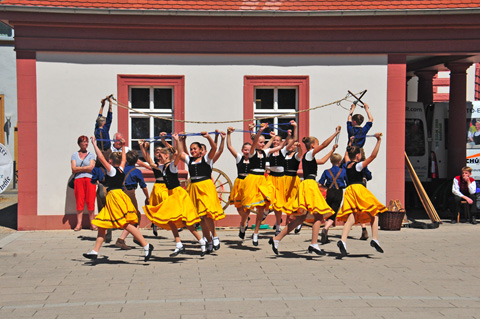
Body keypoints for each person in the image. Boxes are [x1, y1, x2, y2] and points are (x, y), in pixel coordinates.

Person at [269, 127, 340, 255]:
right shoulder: (308, 154)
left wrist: (332, 150)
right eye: (316, 145)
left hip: (309, 184)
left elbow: (323, 161)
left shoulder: (310, 157)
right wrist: (335, 133)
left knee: (300, 219)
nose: (318, 146)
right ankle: (314, 244)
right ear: (313, 145)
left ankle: (276, 239)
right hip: (309, 185)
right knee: (318, 215)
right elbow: (323, 145)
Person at [83, 136, 153, 262]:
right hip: (118, 196)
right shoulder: (121, 168)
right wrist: (124, 145)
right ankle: (95, 251)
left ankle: (146, 245)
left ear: (110, 161)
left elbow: (100, 157)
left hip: (114, 197)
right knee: (102, 225)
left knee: (124, 224)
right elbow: (124, 158)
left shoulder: (111, 170)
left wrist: (94, 144)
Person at [144, 134, 208, 257]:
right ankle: (179, 244)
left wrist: (177, 140)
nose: (158, 157)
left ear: (167, 156)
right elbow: (149, 162)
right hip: (171, 194)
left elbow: (179, 154)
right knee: (171, 220)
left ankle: (201, 241)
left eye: (161, 155)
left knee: (187, 222)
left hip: (178, 194)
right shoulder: (162, 167)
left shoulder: (172, 166)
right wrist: (143, 148)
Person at [336, 133, 387, 257]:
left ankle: (343, 240)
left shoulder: (347, 164)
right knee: (374, 213)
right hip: (359, 189)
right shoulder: (359, 165)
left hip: (349, 190)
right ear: (358, 156)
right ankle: (374, 239)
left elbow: (347, 154)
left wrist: (349, 143)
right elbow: (373, 156)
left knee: (351, 217)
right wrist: (379, 141)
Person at [243, 123, 283, 247]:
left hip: (262, 180)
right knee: (248, 207)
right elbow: (254, 142)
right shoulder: (252, 152)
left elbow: (279, 147)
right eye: (260, 142)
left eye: (262, 142)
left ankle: (256, 233)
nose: (262, 143)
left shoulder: (265, 152)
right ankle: (243, 225)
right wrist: (259, 131)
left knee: (261, 208)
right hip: (252, 179)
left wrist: (286, 137)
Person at [181, 132, 222, 251]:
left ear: (200, 150)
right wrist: (179, 139)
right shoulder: (190, 160)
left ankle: (214, 236)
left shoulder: (207, 159)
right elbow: (180, 152)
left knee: (207, 213)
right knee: (201, 217)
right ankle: (208, 240)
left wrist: (208, 137)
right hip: (194, 188)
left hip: (206, 187)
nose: (193, 151)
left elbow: (214, 148)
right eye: (191, 149)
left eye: (195, 149)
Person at [114, 151, 150, 250]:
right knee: (135, 216)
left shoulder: (121, 169)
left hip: (119, 193)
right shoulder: (136, 171)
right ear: (136, 161)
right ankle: (127, 238)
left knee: (130, 216)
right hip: (129, 193)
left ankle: (134, 236)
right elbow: (144, 186)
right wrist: (147, 197)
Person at [266, 122, 296, 235]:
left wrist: (293, 129)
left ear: (280, 142)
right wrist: (271, 137)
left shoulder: (283, 151)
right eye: (274, 140)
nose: (275, 142)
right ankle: (265, 213)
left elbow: (293, 140)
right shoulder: (269, 152)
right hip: (270, 178)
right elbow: (263, 147)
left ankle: (278, 225)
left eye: (277, 141)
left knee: (278, 205)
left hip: (280, 179)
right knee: (267, 197)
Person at [139, 136, 170, 237]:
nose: (159, 153)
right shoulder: (155, 164)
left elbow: (174, 153)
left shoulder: (168, 163)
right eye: (157, 152)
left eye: (161, 151)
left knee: (168, 204)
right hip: (158, 186)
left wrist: (164, 140)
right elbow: (147, 158)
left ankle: (170, 222)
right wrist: (143, 148)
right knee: (157, 206)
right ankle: (156, 223)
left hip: (167, 186)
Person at [226, 127, 251, 239]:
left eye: (249, 150)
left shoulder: (254, 159)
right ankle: (245, 219)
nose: (247, 152)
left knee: (247, 206)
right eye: (245, 149)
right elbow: (229, 147)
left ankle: (242, 225)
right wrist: (229, 134)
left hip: (249, 184)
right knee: (238, 206)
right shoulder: (239, 158)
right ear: (242, 150)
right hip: (239, 182)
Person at [318, 152, 348, 244]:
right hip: (338, 192)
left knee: (328, 212)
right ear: (339, 162)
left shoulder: (327, 171)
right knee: (333, 214)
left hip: (329, 192)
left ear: (331, 161)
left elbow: (320, 184)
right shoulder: (343, 171)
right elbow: (347, 182)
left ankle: (325, 235)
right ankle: (325, 228)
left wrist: (326, 187)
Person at [71, 135, 96, 231]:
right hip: (78, 180)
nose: (86, 143)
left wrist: (79, 169)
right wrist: (85, 169)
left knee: (90, 201)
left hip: (90, 180)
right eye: (84, 142)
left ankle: (92, 224)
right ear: (79, 143)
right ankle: (79, 224)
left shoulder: (91, 155)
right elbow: (73, 168)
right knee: (79, 201)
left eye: (87, 142)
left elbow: (92, 167)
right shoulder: (74, 155)